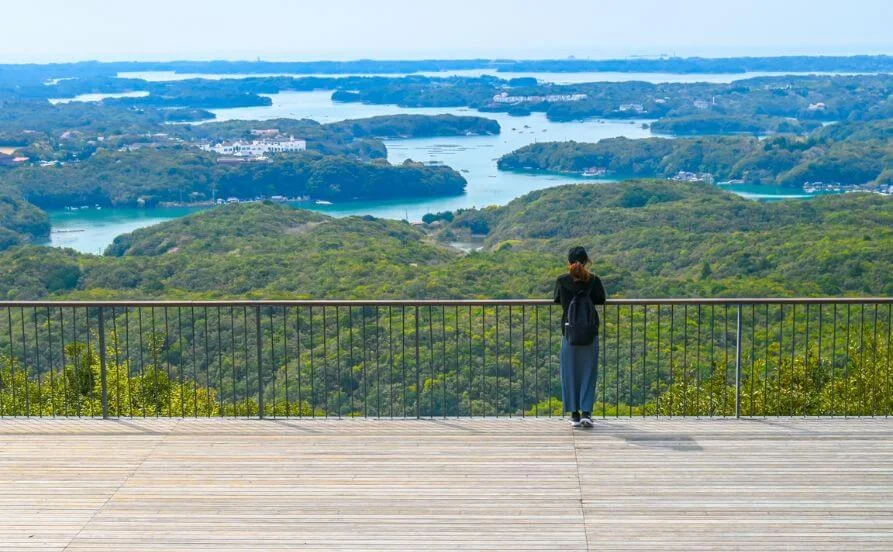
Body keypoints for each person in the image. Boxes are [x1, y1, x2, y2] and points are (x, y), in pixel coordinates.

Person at [553, 246, 606, 428]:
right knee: (588, 373)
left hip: (569, 334)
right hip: (590, 333)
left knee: (570, 373)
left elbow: (557, 299)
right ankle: (586, 413)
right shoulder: (594, 280)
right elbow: (601, 299)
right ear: (586, 262)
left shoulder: (562, 281)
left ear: (568, 262)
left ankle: (574, 414)